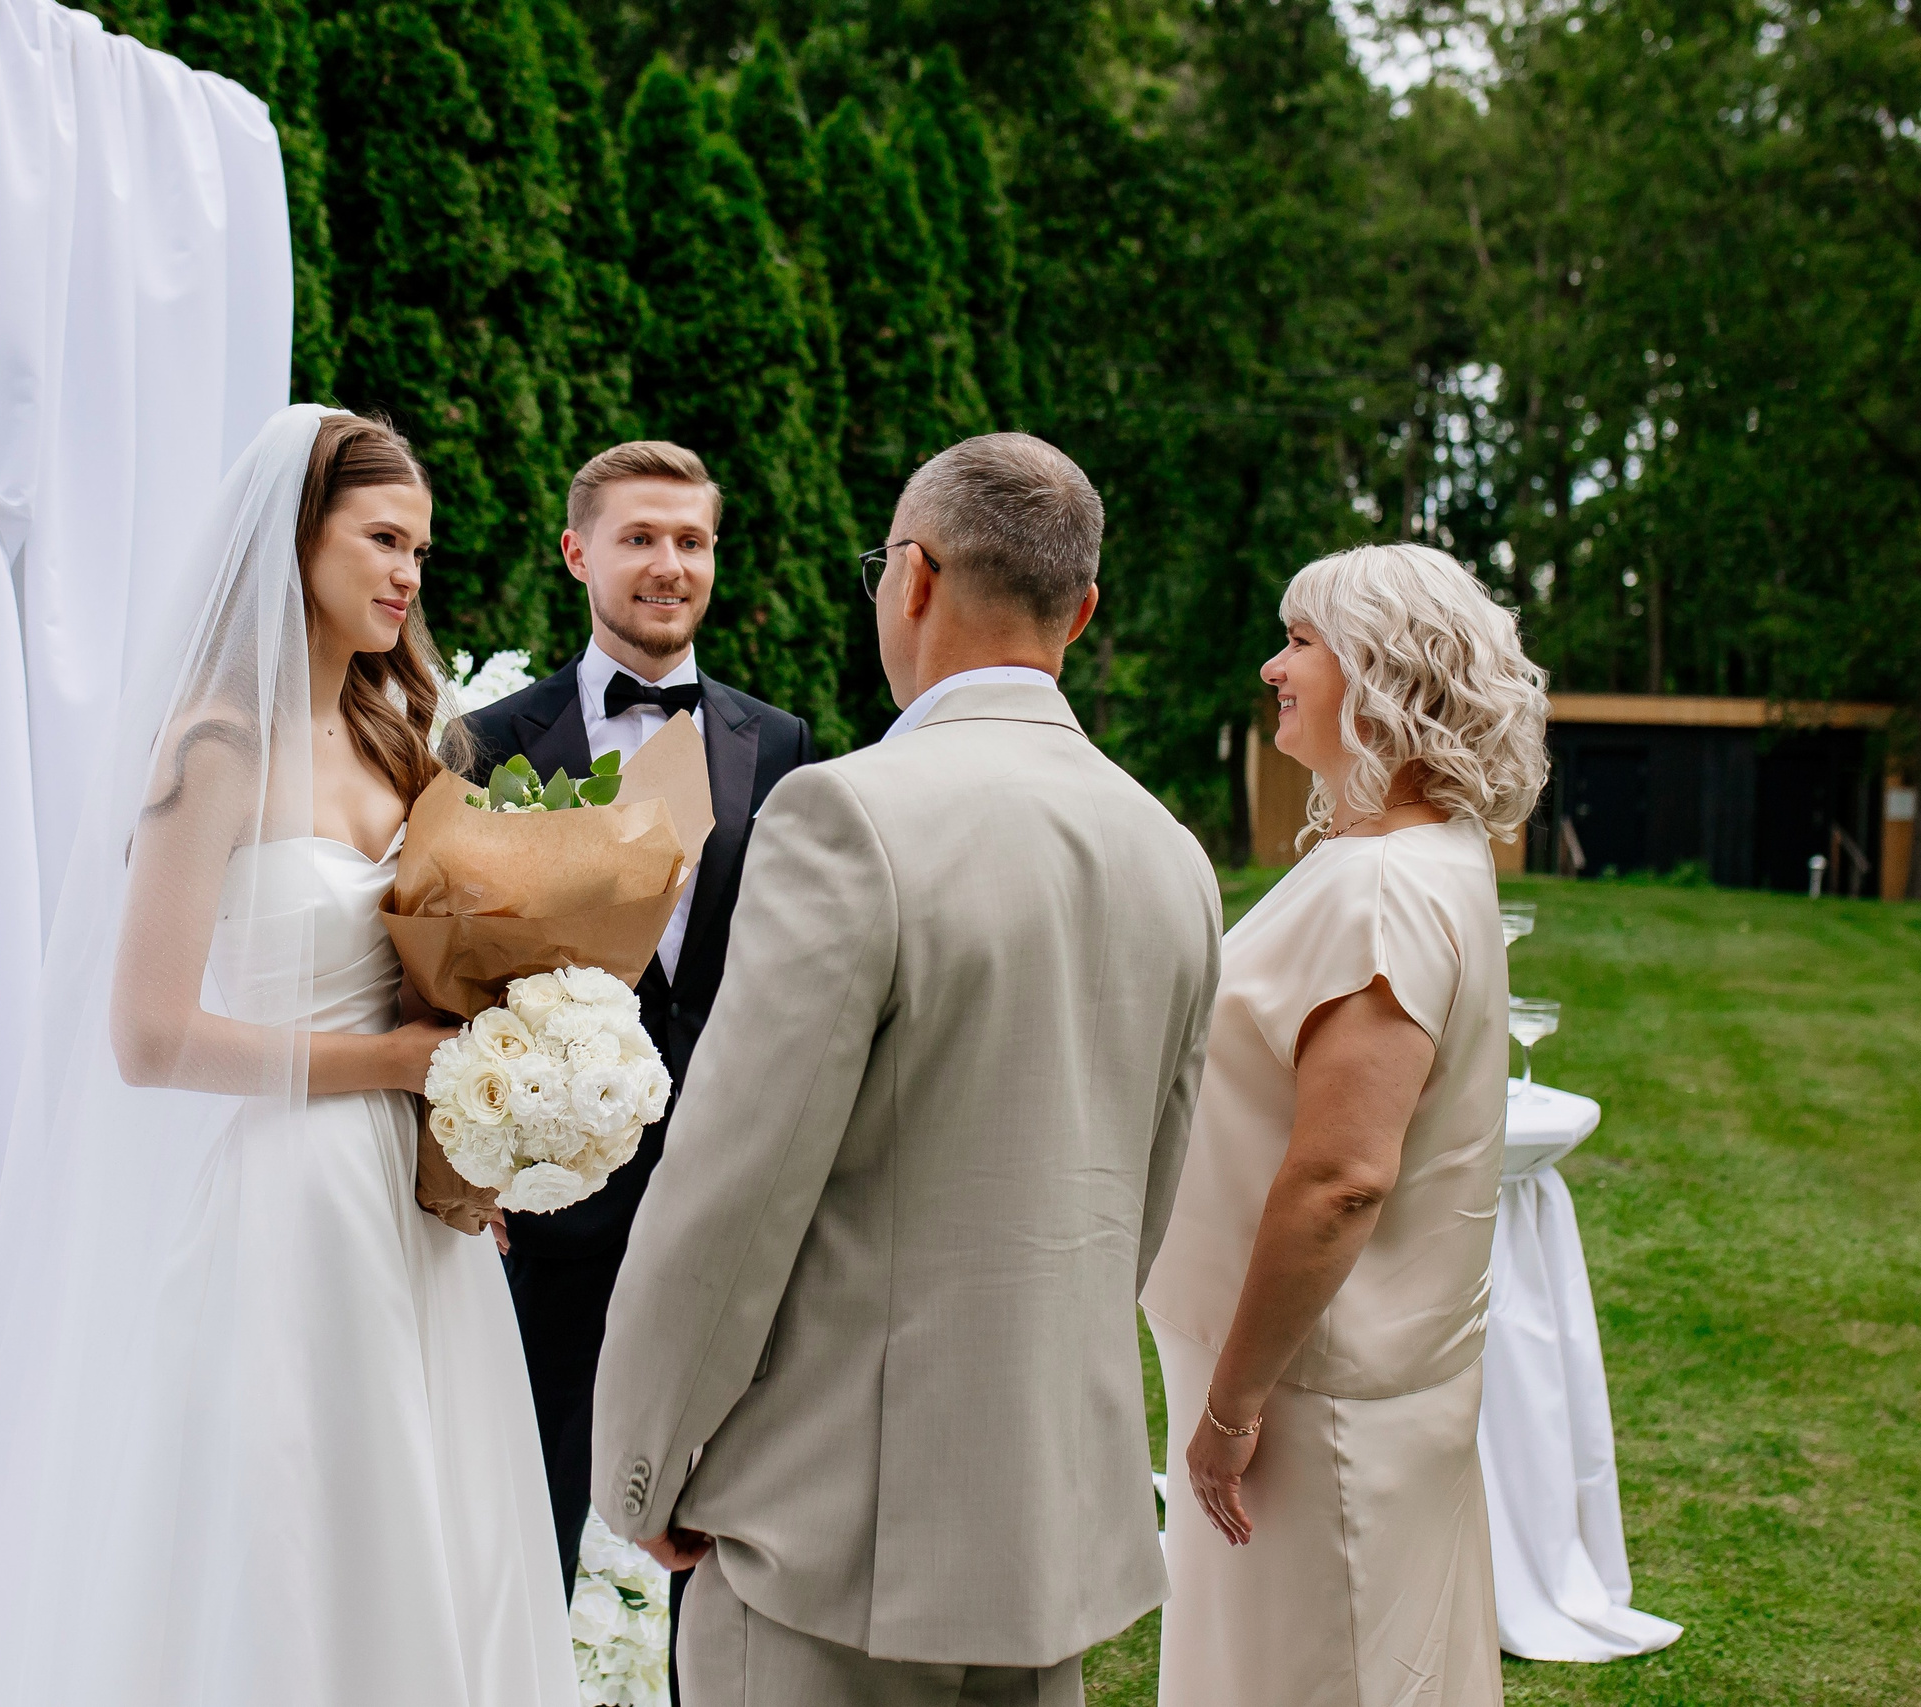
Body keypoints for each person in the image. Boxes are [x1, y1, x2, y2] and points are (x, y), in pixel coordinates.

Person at [0, 407, 576, 1707]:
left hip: (423, 1205)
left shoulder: (412, 736)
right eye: (383, 538)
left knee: (444, 1525)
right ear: (297, 537)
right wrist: (386, 1061)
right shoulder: (212, 746)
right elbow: (150, 1035)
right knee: (298, 1536)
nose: (407, 574)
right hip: (296, 1202)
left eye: (423, 551)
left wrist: (482, 1116)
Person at [589, 433, 1223, 1705]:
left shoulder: (846, 817)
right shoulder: (1172, 856)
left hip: (833, 1537)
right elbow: (1133, 1212)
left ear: (913, 579)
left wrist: (644, 1469)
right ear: (1082, 611)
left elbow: (734, 1189)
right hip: (1049, 1530)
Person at [1141, 542, 1550, 1707]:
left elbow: (1340, 1179)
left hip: (1308, 1406)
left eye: (1300, 642)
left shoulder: (1382, 888)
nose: (1273, 667)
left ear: (1385, 670)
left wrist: (1229, 1411)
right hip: (1325, 1383)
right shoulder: (1413, 855)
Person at [452, 440, 814, 1605]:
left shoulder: (784, 745)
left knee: (715, 1526)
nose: (669, 565)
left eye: (692, 541)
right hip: (548, 1206)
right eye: (640, 538)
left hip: (720, 1198)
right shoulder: (492, 741)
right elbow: (449, 971)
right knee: (531, 1507)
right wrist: (467, 1164)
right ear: (577, 553)